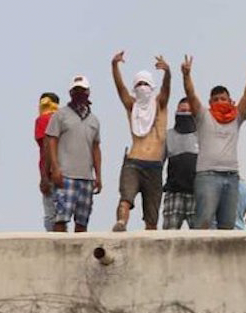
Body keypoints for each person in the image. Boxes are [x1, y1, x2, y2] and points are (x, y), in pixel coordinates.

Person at [182, 53, 246, 230]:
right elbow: (191, 94)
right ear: (210, 102)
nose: (220, 102)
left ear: (229, 100)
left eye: (223, 99)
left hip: (231, 176)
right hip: (207, 175)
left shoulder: (236, 117)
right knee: (203, 221)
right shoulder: (204, 116)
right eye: (215, 99)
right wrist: (186, 75)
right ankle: (201, 257)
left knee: (227, 225)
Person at [111, 52, 172, 231]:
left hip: (154, 165)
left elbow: (167, 89)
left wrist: (168, 73)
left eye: (145, 84)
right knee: (125, 198)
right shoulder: (133, 106)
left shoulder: (159, 104)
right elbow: (120, 88)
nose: (142, 87)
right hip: (133, 162)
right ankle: (121, 223)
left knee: (152, 217)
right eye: (138, 84)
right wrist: (114, 66)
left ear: (152, 86)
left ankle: (149, 245)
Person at [45, 75, 102, 233]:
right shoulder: (60, 115)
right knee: (61, 219)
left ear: (88, 92)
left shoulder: (94, 120)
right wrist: (54, 169)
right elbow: (51, 142)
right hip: (66, 176)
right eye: (76, 90)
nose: (79, 93)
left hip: (86, 178)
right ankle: (58, 255)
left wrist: (98, 176)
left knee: (82, 222)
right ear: (70, 93)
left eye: (82, 90)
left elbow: (96, 148)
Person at [163, 97, 199, 229]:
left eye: (189, 111)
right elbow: (160, 163)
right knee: (168, 236)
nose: (185, 114)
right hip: (174, 192)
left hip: (196, 192)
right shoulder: (168, 135)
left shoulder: (201, 135)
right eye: (182, 110)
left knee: (200, 238)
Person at [34, 92, 60, 231]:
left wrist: (44, 176)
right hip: (65, 171)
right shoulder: (62, 119)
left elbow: (46, 146)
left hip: (49, 173)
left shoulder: (42, 120)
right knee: (63, 213)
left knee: (50, 214)